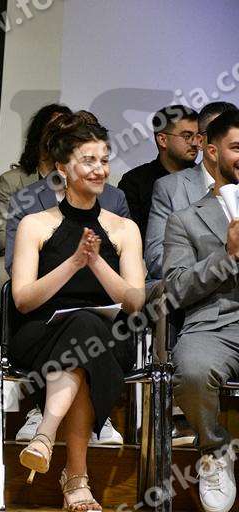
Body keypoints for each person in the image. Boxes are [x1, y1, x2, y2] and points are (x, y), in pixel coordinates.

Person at [11, 114, 145, 511]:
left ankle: (45, 434)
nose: (100, 169)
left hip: (111, 341)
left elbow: (135, 301)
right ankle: (76, 479)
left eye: (104, 160)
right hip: (41, 336)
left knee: (87, 330)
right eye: (88, 160)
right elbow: (23, 300)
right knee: (83, 334)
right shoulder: (35, 224)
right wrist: (72, 263)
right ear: (62, 168)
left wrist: (96, 262)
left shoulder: (124, 229)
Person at [164, 109, 239, 512]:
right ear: (212, 151)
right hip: (213, 325)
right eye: (237, 148)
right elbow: (174, 288)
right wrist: (227, 256)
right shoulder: (184, 220)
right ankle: (214, 450)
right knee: (192, 370)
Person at [0, 103, 73, 307]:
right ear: (39, 133)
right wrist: (31, 252)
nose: (59, 135)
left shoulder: (76, 178)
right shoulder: (12, 180)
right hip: (22, 255)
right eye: (54, 128)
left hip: (70, 256)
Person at [145, 102, 238, 280]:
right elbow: (158, 260)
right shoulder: (170, 188)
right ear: (203, 143)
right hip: (201, 293)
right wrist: (225, 259)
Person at [118, 105, 198, 239]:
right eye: (187, 136)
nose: (195, 143)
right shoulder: (134, 182)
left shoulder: (208, 178)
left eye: (198, 136)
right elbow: (130, 237)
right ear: (162, 140)